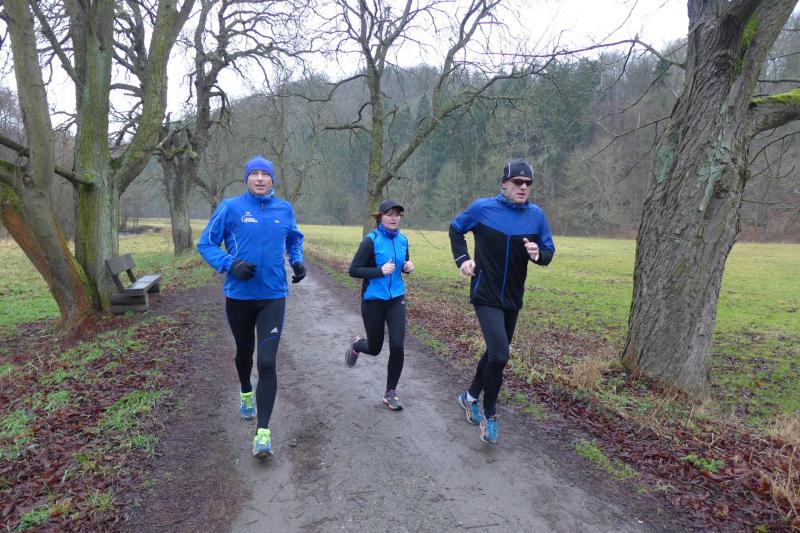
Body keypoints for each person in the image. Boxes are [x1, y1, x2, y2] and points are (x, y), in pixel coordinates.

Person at [197, 155, 306, 458]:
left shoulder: (284, 209)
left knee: (267, 362)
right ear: (246, 178)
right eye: (254, 173)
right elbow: (205, 244)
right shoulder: (230, 208)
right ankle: (246, 389)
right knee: (244, 353)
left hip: (273, 296)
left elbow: (294, 239)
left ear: (272, 179)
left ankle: (263, 434)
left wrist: (297, 261)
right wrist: (229, 263)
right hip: (240, 297)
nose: (259, 178)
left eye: (265, 174)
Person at [449, 159, 555, 445]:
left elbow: (548, 251)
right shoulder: (483, 208)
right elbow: (456, 229)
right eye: (518, 182)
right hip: (485, 292)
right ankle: (490, 414)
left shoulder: (536, 216)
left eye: (528, 183)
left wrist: (538, 255)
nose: (523, 187)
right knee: (500, 355)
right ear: (504, 184)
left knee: (495, 352)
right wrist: (463, 259)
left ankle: (469, 397)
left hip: (512, 297)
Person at [345, 200, 414, 411]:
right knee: (374, 348)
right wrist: (378, 271)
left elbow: (401, 265)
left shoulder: (403, 240)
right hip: (373, 301)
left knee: (397, 346)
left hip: (396, 300)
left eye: (397, 215)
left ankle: (390, 392)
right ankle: (357, 345)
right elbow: (354, 270)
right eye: (389, 214)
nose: (394, 218)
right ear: (380, 217)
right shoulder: (371, 241)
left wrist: (407, 267)